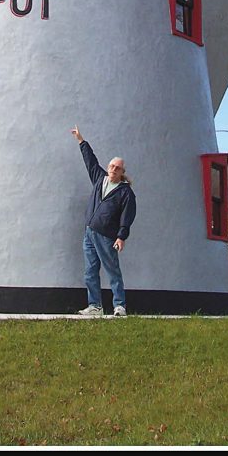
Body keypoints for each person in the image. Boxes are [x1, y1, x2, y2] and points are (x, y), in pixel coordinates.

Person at [70, 125, 136, 317]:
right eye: (112, 166)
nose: (114, 169)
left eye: (117, 168)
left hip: (107, 236)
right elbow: (90, 161)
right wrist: (81, 141)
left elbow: (127, 216)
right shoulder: (100, 179)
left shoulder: (125, 193)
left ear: (122, 171)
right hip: (89, 232)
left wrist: (121, 236)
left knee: (112, 270)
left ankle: (119, 305)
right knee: (90, 271)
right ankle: (95, 306)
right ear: (108, 167)